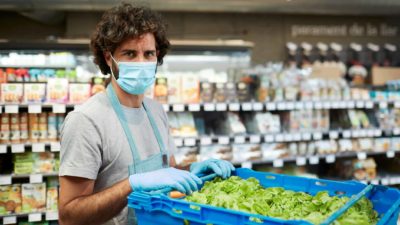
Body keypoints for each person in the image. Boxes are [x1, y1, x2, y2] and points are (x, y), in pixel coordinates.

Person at [58, 3, 235, 225]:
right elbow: (70, 217)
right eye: (130, 54)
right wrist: (132, 184)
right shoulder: (86, 121)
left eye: (149, 53)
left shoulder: (155, 110)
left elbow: (166, 172)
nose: (141, 62)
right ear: (108, 58)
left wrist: (193, 169)